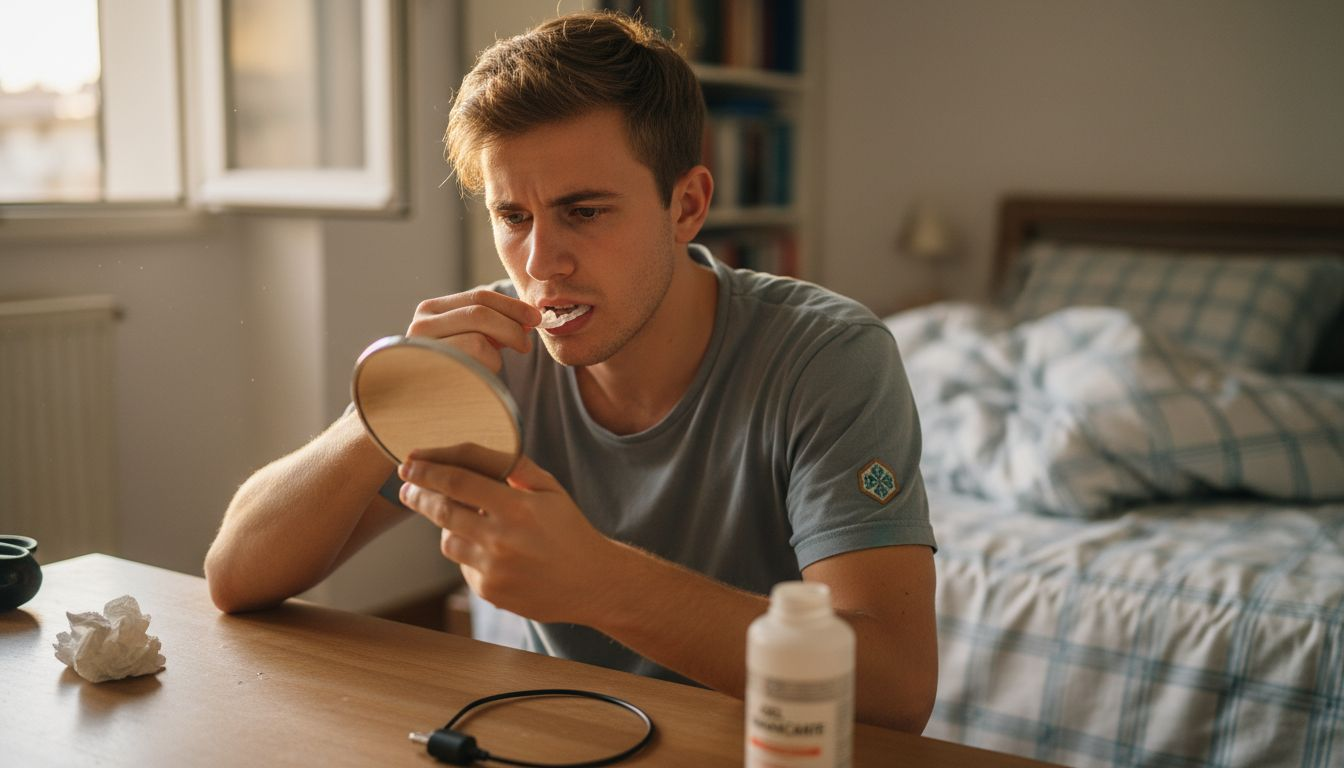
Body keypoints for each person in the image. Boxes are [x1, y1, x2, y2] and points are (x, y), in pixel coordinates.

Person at [205, 10, 937, 732]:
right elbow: (235, 576)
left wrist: (599, 582)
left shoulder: (828, 357)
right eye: (513, 217)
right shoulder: (489, 353)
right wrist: (382, 408)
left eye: (583, 212)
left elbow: (897, 685)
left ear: (686, 206)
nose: (539, 265)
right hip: (563, 736)